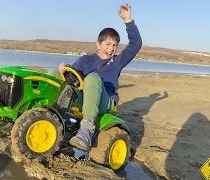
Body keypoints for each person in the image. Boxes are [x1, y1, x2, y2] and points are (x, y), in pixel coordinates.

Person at [52, 2, 142, 151]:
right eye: (108, 44)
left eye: (114, 45)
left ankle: (86, 130)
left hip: (105, 100)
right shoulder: (85, 59)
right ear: (98, 45)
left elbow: (136, 44)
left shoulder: (117, 61)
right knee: (54, 74)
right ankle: (50, 114)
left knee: (93, 78)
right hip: (86, 96)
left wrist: (127, 20)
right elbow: (72, 77)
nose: (111, 48)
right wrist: (64, 70)